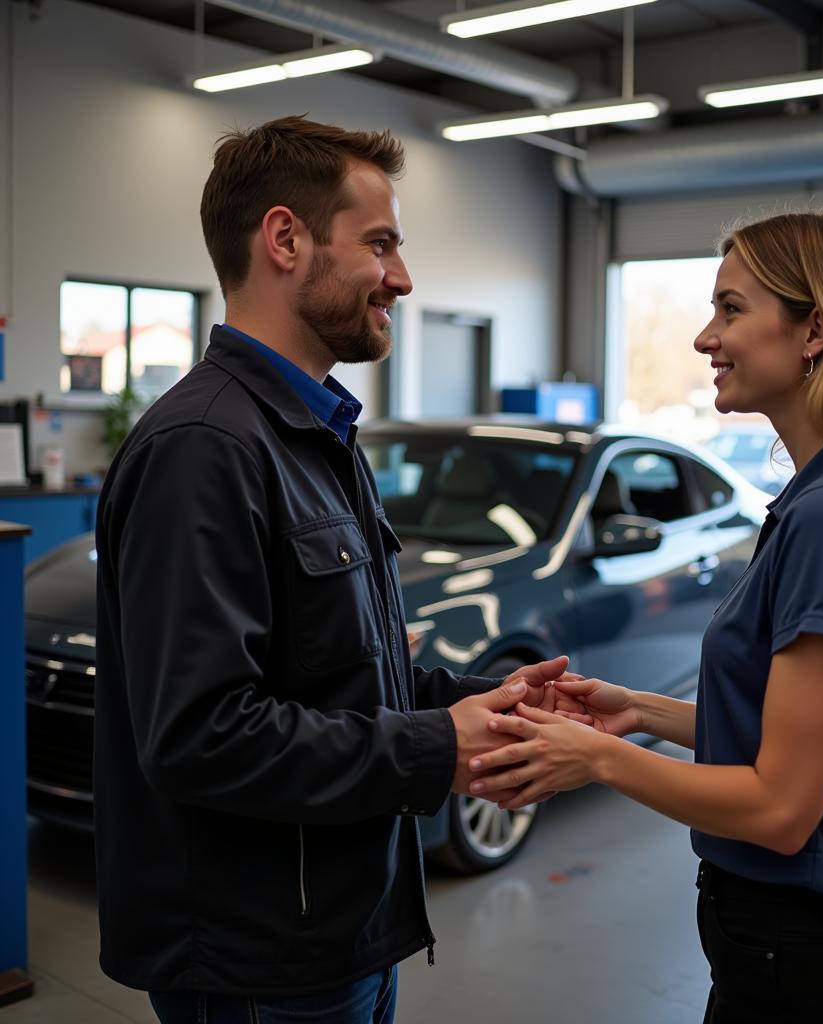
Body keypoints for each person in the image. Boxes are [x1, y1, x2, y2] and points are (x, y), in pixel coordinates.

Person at [93, 115, 578, 1024]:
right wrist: (440, 748)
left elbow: (340, 676)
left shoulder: (318, 437)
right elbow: (201, 733)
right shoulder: (206, 449)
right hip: (260, 965)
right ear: (285, 239)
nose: (401, 277)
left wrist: (495, 703)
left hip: (339, 932)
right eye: (381, 243)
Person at [468, 210, 823, 1023]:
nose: (706, 338)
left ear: (815, 330)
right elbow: (793, 740)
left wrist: (597, 761)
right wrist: (638, 713)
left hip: (811, 965)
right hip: (796, 950)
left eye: (731, 309)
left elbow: (781, 808)